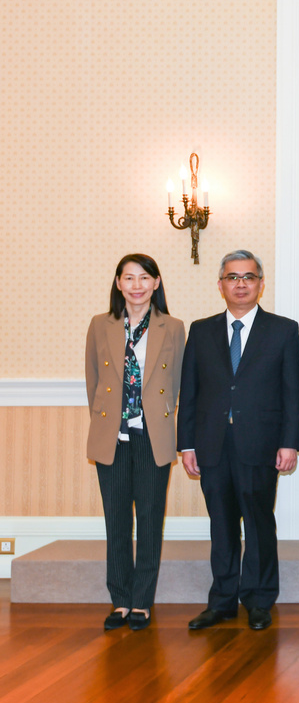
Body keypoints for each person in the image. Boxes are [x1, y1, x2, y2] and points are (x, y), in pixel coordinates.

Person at [178, 250, 299, 631]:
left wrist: (289, 443)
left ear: (261, 284)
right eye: (232, 277)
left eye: (249, 277)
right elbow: (190, 391)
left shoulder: (283, 330)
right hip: (212, 443)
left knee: (259, 523)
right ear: (220, 285)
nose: (241, 284)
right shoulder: (201, 331)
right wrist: (187, 444)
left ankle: (259, 599)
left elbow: (292, 393)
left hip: (261, 444)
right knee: (221, 525)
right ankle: (222, 601)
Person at [84, 254, 184, 631]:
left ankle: (142, 601)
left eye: (144, 278)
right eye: (129, 278)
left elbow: (176, 382)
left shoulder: (173, 327)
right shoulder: (100, 324)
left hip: (152, 436)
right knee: (117, 521)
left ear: (156, 283)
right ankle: (120, 600)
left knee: (150, 519)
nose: (136, 285)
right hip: (112, 436)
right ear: (118, 283)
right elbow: (93, 380)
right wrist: (108, 418)